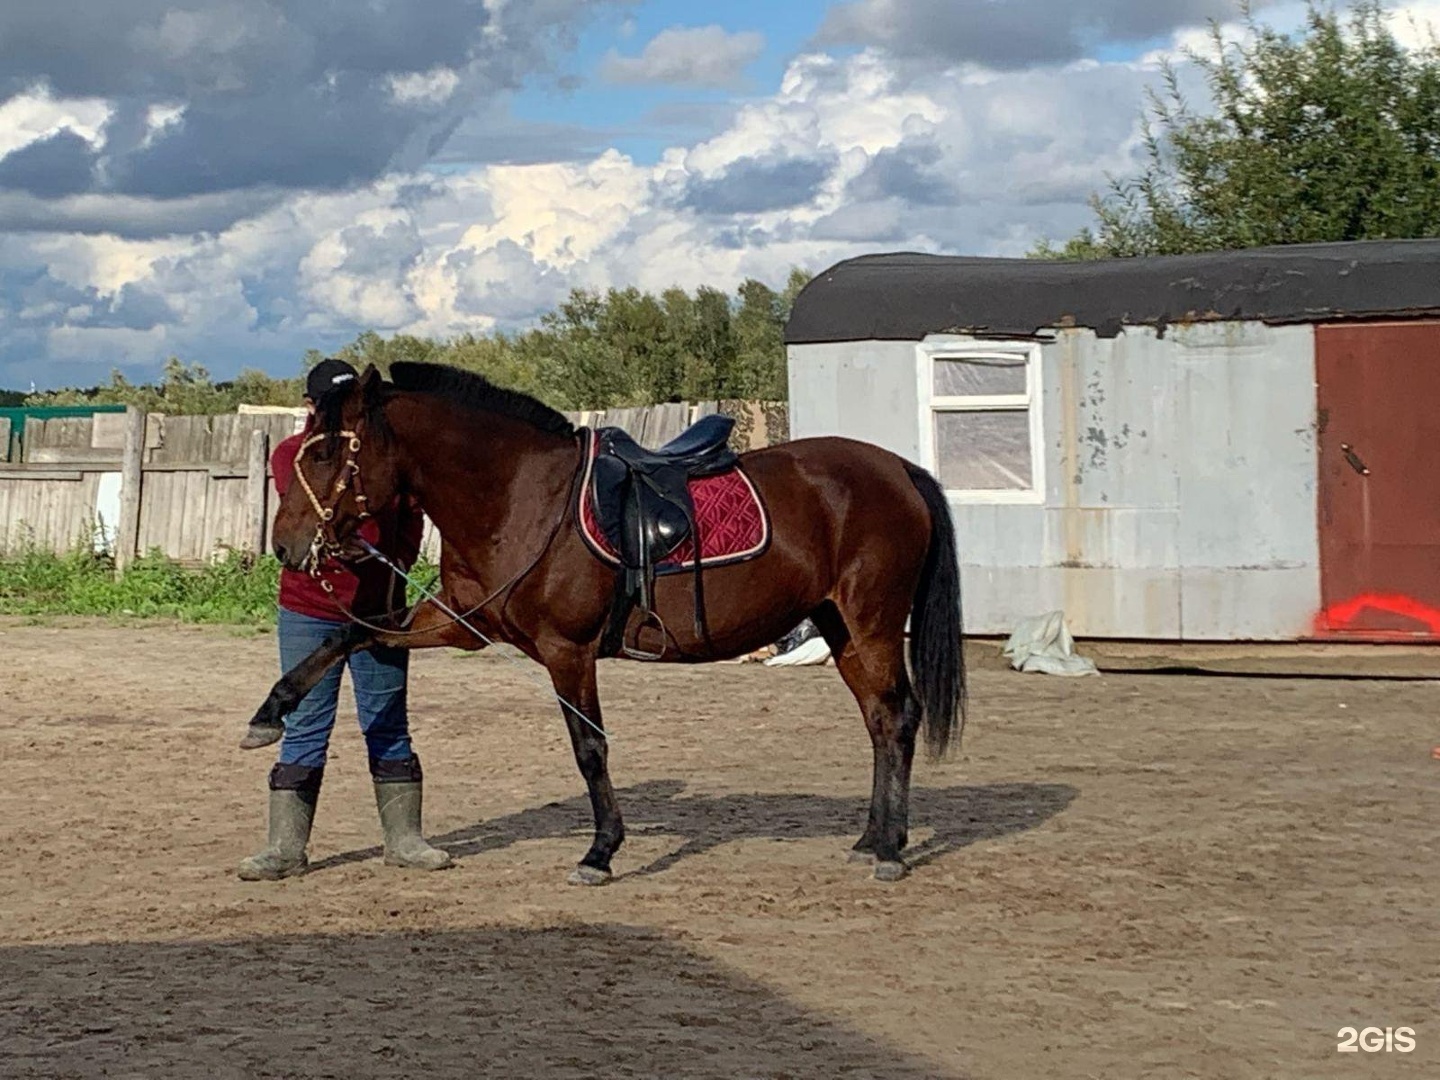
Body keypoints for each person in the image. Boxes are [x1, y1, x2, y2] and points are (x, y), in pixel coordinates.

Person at [238, 358, 452, 880]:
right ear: (311, 408)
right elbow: (308, 519)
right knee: (307, 723)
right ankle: (285, 849)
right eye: (329, 408)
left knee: (387, 721)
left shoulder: (383, 458)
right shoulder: (292, 455)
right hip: (308, 610)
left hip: (380, 610)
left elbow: (410, 524)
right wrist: (339, 554)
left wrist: (395, 563)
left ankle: (404, 840)